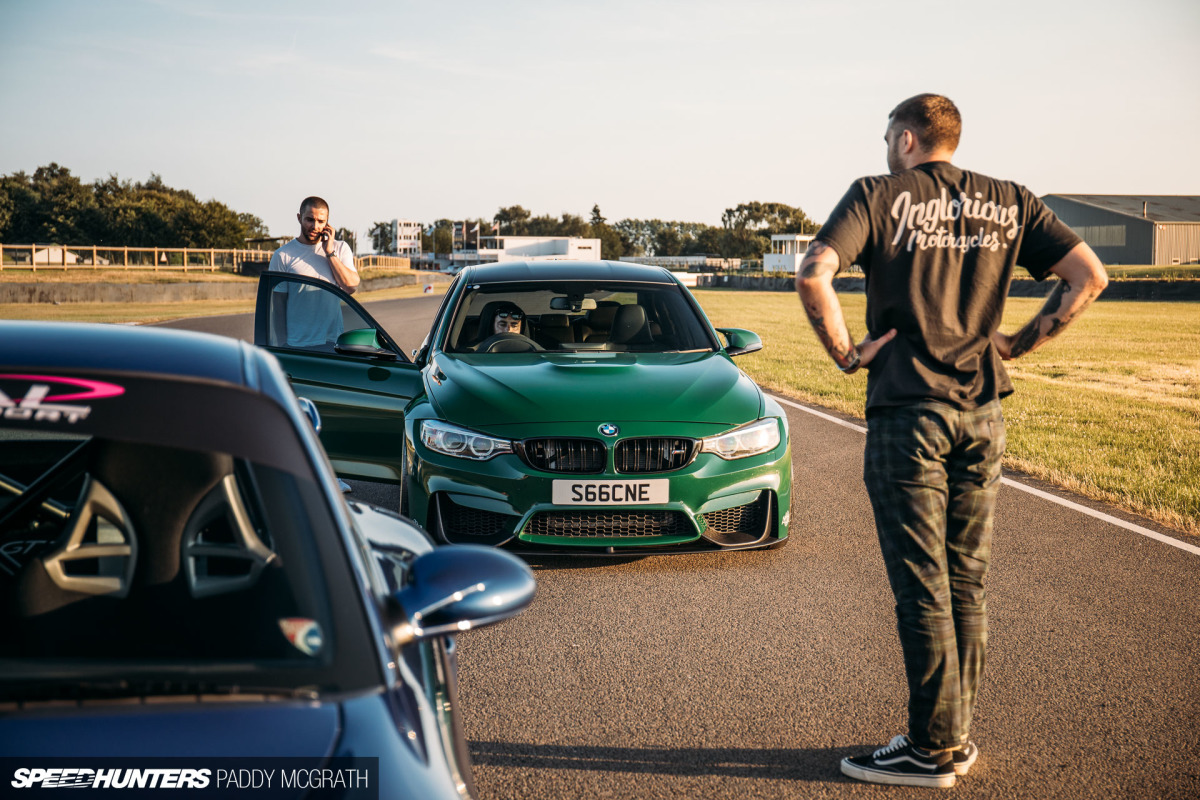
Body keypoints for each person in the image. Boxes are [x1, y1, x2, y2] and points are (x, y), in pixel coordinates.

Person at [795, 94, 1107, 788]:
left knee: (922, 587)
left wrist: (847, 353)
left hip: (910, 413)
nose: (884, 148)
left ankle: (930, 748)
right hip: (983, 412)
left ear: (907, 139)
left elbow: (814, 272)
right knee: (966, 581)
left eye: (887, 137)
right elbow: (1090, 277)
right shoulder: (1011, 199)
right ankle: (954, 736)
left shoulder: (877, 195)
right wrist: (1015, 345)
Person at [268, 196, 360, 348]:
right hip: (296, 343)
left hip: (332, 341)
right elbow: (278, 307)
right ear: (299, 218)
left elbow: (351, 287)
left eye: (321, 221)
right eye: (309, 219)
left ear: (327, 222)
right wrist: (281, 345)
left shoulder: (340, 248)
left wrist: (329, 253)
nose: (315, 226)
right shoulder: (282, 255)